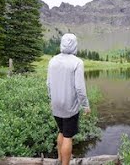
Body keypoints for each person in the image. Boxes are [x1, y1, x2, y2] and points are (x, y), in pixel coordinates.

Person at [47, 33, 91, 165]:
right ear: (74, 45)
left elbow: (48, 84)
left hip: (55, 104)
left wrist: (52, 100)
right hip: (69, 106)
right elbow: (80, 88)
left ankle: (60, 160)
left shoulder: (52, 60)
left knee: (61, 131)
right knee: (68, 136)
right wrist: (85, 105)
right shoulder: (77, 62)